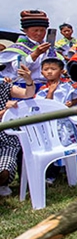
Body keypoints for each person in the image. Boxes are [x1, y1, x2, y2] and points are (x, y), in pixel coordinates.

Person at [0, 63, 37, 195]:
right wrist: (5, 111)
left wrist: (28, 80)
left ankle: (3, 184)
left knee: (4, 171)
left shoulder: (3, 86)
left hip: (6, 139)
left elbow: (28, 94)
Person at [6, 9, 55, 87]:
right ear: (25, 31)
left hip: (48, 86)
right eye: (35, 30)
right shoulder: (18, 48)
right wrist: (35, 54)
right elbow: (19, 69)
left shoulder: (50, 48)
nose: (39, 33)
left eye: (42, 30)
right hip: (24, 87)